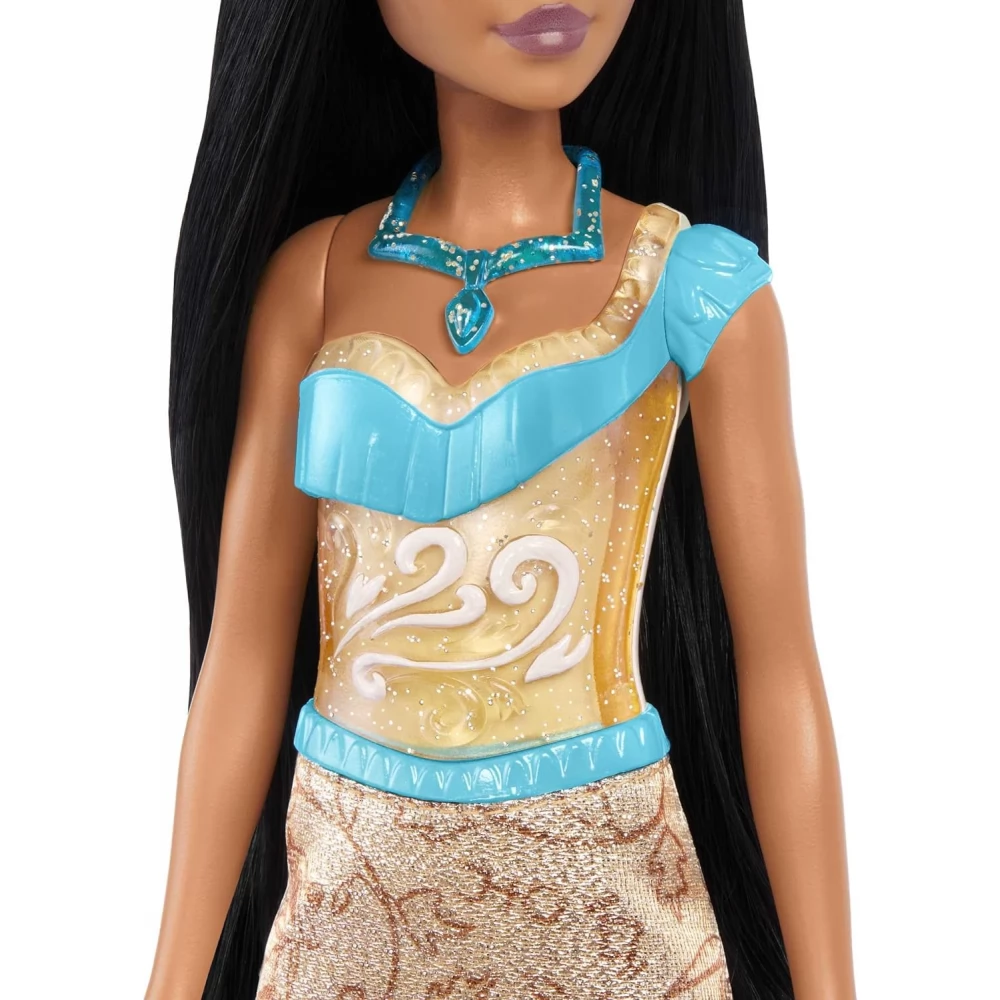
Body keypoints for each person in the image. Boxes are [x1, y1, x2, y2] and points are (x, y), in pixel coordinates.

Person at [148, 2, 856, 998]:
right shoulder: (314, 281)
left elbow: (778, 671)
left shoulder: (688, 287)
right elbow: (241, 668)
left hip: (610, 917)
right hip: (346, 925)